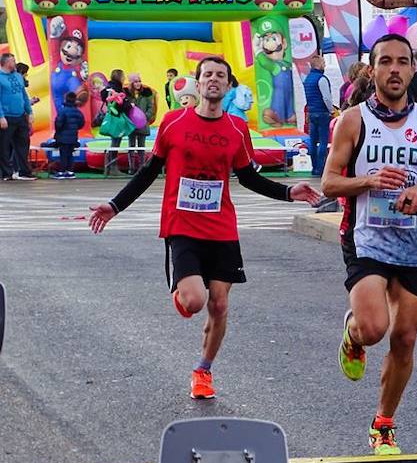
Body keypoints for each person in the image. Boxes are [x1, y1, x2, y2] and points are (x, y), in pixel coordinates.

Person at [88, 56, 322, 400]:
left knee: (220, 306)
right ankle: (183, 293)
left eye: (220, 76)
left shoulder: (236, 129)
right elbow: (150, 171)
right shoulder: (172, 122)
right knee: (196, 301)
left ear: (228, 87)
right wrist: (115, 205)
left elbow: (247, 177)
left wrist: (289, 192)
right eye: (208, 75)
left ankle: (203, 370)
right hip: (181, 224)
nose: (214, 80)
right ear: (198, 84)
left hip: (222, 227)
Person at [322, 33, 417, 455]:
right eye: (386, 62)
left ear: (412, 67)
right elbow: (329, 182)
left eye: (403, 61)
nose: (395, 69)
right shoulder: (353, 120)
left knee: (404, 338)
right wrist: (367, 181)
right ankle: (353, 333)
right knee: (374, 328)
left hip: (412, 241)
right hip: (365, 237)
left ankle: (384, 422)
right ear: (373, 69)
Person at [0, 53, 36, 181]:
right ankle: (6, 173)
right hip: (6, 116)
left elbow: (24, 95)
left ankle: (24, 171)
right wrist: (1, 116)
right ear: (5, 62)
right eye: (12, 61)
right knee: (4, 145)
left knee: (23, 143)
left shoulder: (18, 76)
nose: (14, 63)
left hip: (20, 115)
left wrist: (29, 112)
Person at [303, 56, 333, 176]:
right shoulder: (322, 79)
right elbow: (326, 97)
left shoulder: (307, 79)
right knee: (323, 141)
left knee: (313, 141)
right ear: (319, 65)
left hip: (311, 112)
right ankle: (321, 168)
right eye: (324, 63)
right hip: (322, 113)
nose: (325, 65)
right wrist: (331, 110)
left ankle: (314, 167)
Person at [126, 72, 157, 174]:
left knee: (141, 147)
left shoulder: (146, 93)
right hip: (131, 125)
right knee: (131, 146)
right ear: (131, 83)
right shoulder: (127, 94)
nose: (138, 83)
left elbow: (150, 108)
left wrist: (145, 117)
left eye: (139, 81)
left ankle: (142, 167)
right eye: (135, 81)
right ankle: (131, 167)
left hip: (142, 124)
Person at [100, 69, 129, 175]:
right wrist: (128, 105)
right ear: (119, 77)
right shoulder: (117, 89)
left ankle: (108, 167)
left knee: (114, 141)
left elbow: (104, 96)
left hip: (111, 116)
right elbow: (121, 104)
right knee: (116, 142)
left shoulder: (108, 88)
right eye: (123, 76)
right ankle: (113, 167)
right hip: (117, 118)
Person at [52, 91, 84, 179]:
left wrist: (59, 131)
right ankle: (70, 171)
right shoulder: (77, 111)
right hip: (73, 137)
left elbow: (58, 123)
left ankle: (62, 172)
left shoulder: (63, 111)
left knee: (63, 155)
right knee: (70, 154)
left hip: (63, 137)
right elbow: (81, 123)